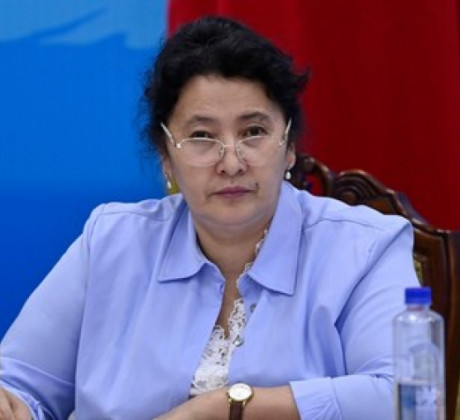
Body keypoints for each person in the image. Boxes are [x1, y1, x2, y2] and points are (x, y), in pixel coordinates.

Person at [0, 15, 419, 420]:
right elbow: (22, 384)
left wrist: (225, 408)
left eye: (253, 132)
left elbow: (406, 397)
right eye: (202, 136)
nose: (231, 163)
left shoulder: (367, 248)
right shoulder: (111, 241)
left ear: (289, 146)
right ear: (166, 156)